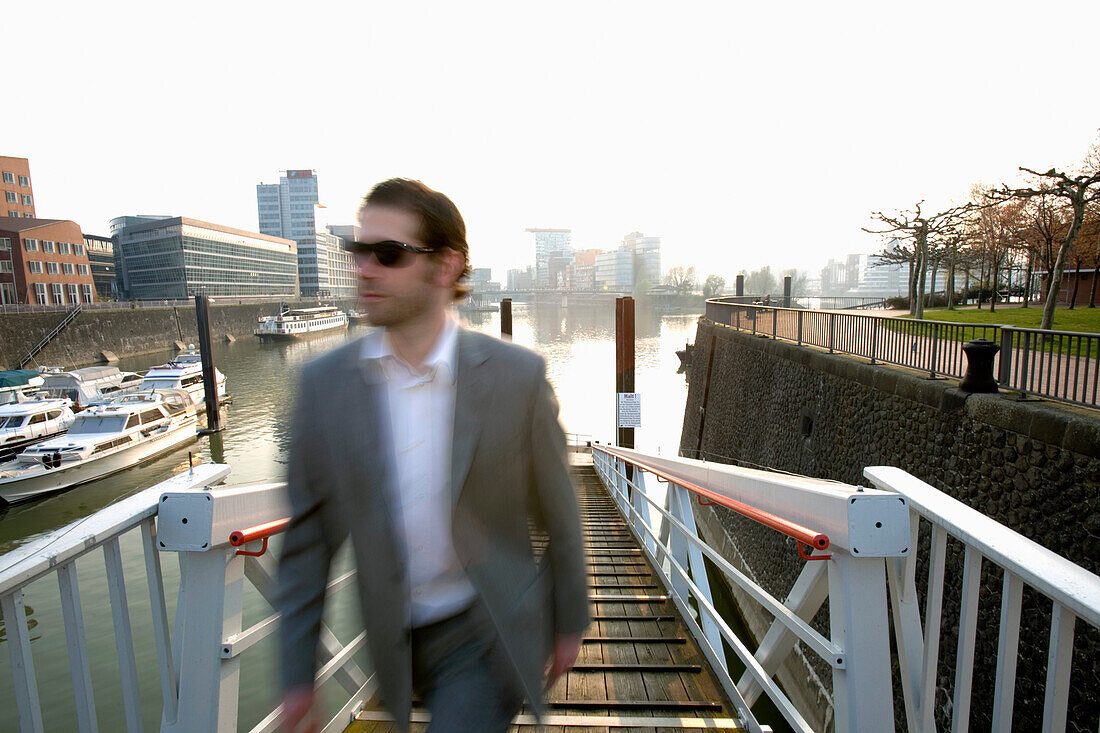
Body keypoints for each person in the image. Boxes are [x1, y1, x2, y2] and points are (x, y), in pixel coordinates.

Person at [275, 178, 589, 732]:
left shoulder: (517, 378)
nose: (365, 268)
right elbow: (307, 543)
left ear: (445, 267)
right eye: (359, 250)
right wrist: (298, 676)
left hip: (485, 627)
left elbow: (560, 515)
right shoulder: (325, 387)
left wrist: (568, 621)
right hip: (392, 634)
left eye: (388, 254)